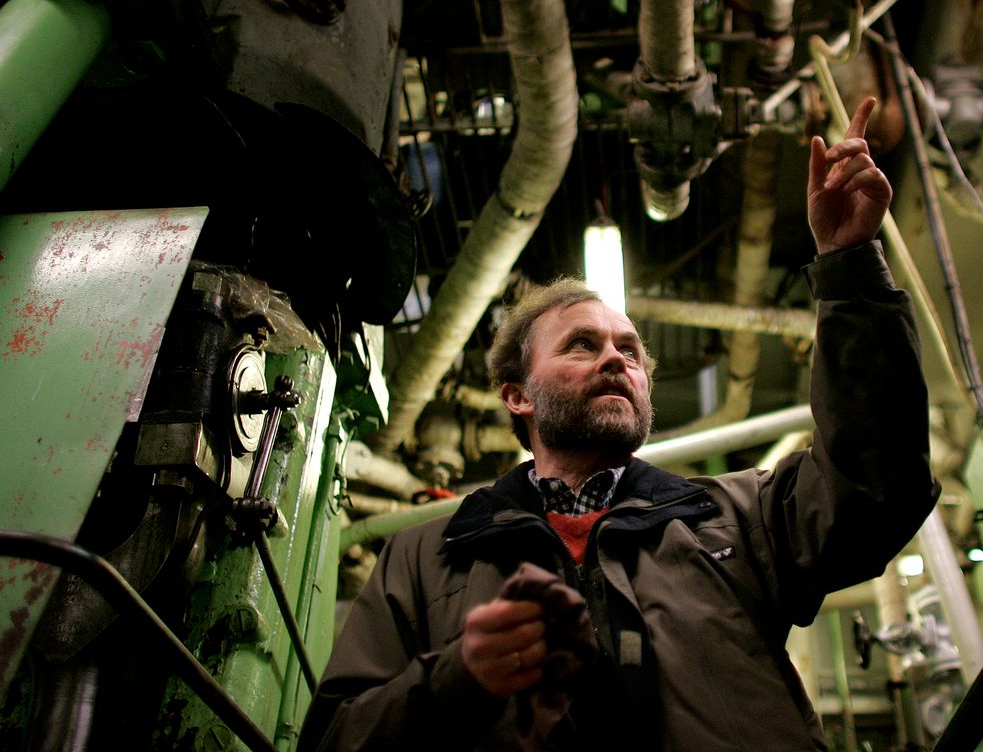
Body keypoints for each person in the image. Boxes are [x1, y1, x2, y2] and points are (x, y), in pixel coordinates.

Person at [297, 96, 939, 752]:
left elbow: (875, 489)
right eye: (582, 344)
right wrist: (459, 678)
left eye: (629, 350)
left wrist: (850, 262)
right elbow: (334, 741)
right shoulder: (423, 556)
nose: (615, 357)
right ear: (516, 394)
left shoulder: (739, 516)